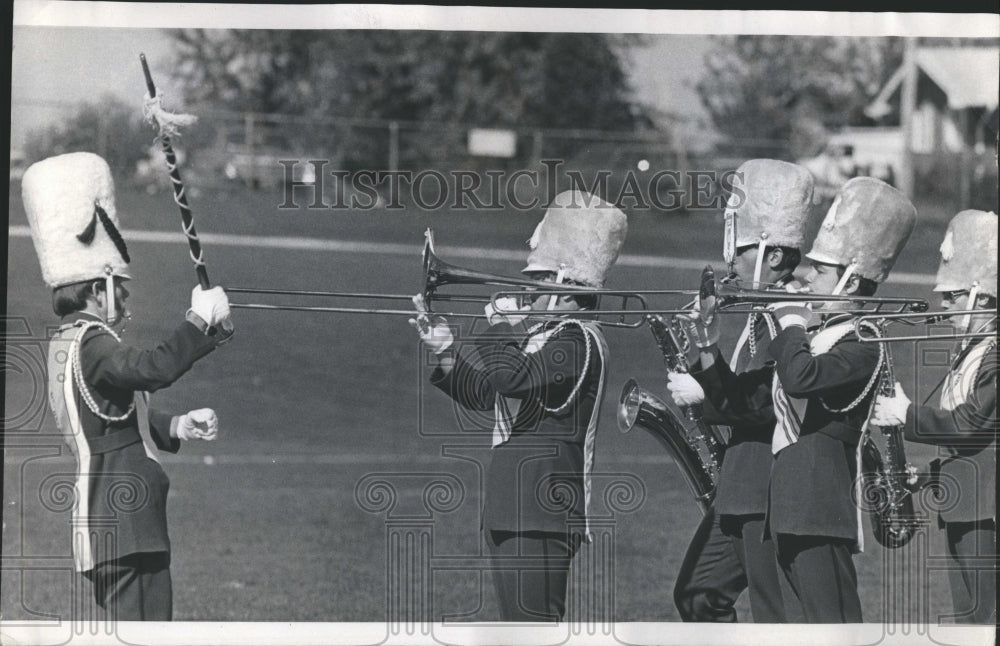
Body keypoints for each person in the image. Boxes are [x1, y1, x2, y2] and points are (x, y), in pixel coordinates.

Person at [681, 177, 916, 622]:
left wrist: (789, 324)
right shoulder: (819, 333)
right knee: (785, 624)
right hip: (790, 506)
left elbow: (800, 380)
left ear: (849, 282)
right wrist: (709, 346)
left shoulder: (860, 339)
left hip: (814, 503)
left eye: (822, 270)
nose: (807, 276)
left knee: (831, 623)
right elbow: (768, 388)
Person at [22, 152, 233, 620]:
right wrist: (198, 319)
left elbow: (111, 419)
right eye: (122, 288)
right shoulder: (94, 343)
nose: (126, 297)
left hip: (115, 520)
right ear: (100, 287)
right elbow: (152, 369)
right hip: (126, 520)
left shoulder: (68, 342)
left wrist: (175, 425)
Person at [410, 190, 626, 621]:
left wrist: (503, 324)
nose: (525, 289)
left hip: (542, 508)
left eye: (537, 279)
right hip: (513, 503)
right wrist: (446, 351)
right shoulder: (544, 336)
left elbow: (510, 376)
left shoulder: (578, 339)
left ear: (566, 288)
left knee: (533, 630)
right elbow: (488, 394)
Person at [665, 159, 813, 623]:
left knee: (777, 618)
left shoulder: (792, 315)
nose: (731, 261)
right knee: (697, 594)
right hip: (740, 485)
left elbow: (766, 401)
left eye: (742, 250)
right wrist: (702, 346)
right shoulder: (759, 310)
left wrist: (703, 395)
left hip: (770, 490)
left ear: (772, 255)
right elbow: (734, 389)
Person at [872, 209, 997, 625]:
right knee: (969, 625)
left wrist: (907, 415)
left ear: (981, 295)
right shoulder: (973, 348)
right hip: (965, 506)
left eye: (953, 295)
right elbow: (974, 446)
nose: (942, 304)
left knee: (985, 623)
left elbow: (971, 424)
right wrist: (928, 474)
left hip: (988, 511)